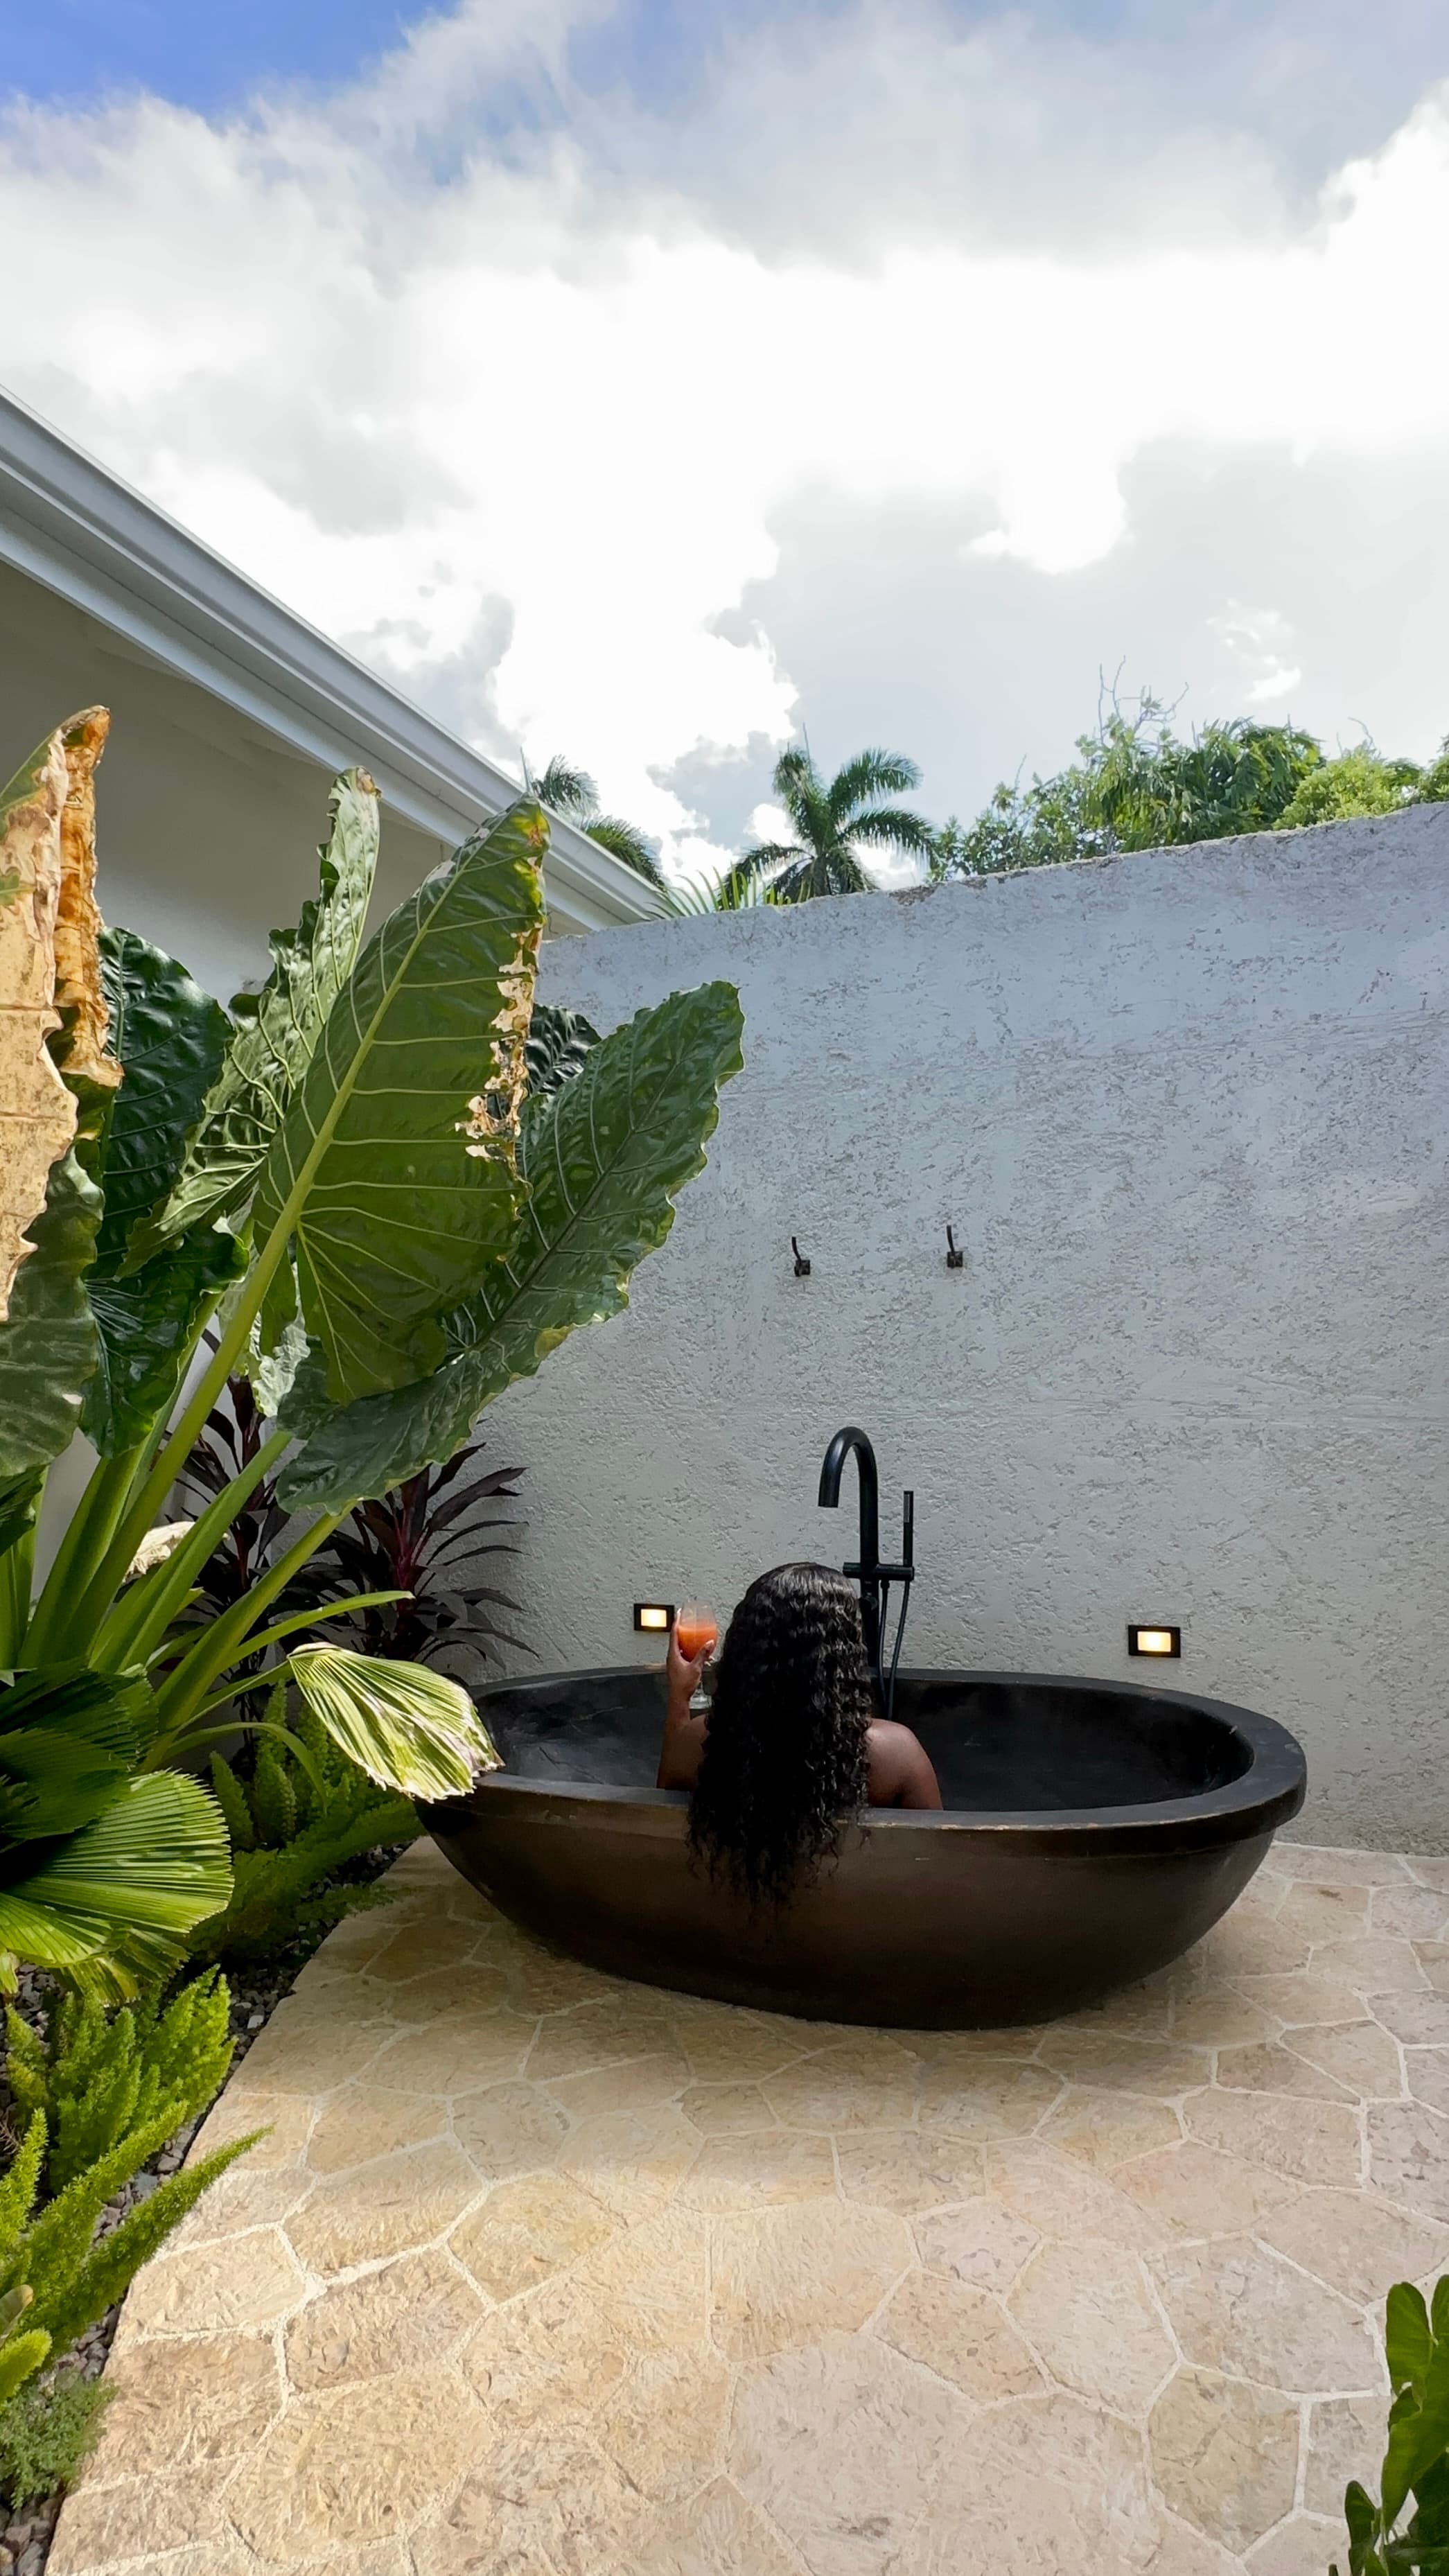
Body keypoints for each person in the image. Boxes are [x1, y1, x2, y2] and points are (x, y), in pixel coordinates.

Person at [657, 1561, 942, 1907]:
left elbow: (658, 1816)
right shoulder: (896, 1752)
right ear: (844, 1654)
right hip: (858, 1929)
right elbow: (937, 1861)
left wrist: (679, 1696)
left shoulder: (703, 1742)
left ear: (746, 1649)